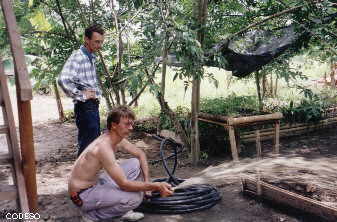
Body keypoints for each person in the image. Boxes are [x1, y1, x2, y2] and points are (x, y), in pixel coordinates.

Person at [68, 105, 174, 222]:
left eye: (131, 124)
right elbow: (124, 184)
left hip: (95, 184)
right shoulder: (103, 147)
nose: (131, 128)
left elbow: (140, 154)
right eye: (127, 124)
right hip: (82, 195)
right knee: (135, 197)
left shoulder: (116, 137)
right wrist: (156, 186)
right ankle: (92, 216)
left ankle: (119, 208)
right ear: (114, 125)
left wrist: (147, 182)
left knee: (135, 163)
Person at [58, 24, 104, 156]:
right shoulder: (78, 56)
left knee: (92, 144)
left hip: (91, 107)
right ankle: (81, 176)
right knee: (88, 146)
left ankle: (87, 175)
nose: (99, 45)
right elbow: (63, 79)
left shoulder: (90, 57)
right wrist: (81, 95)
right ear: (86, 39)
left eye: (101, 42)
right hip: (85, 107)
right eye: (96, 41)